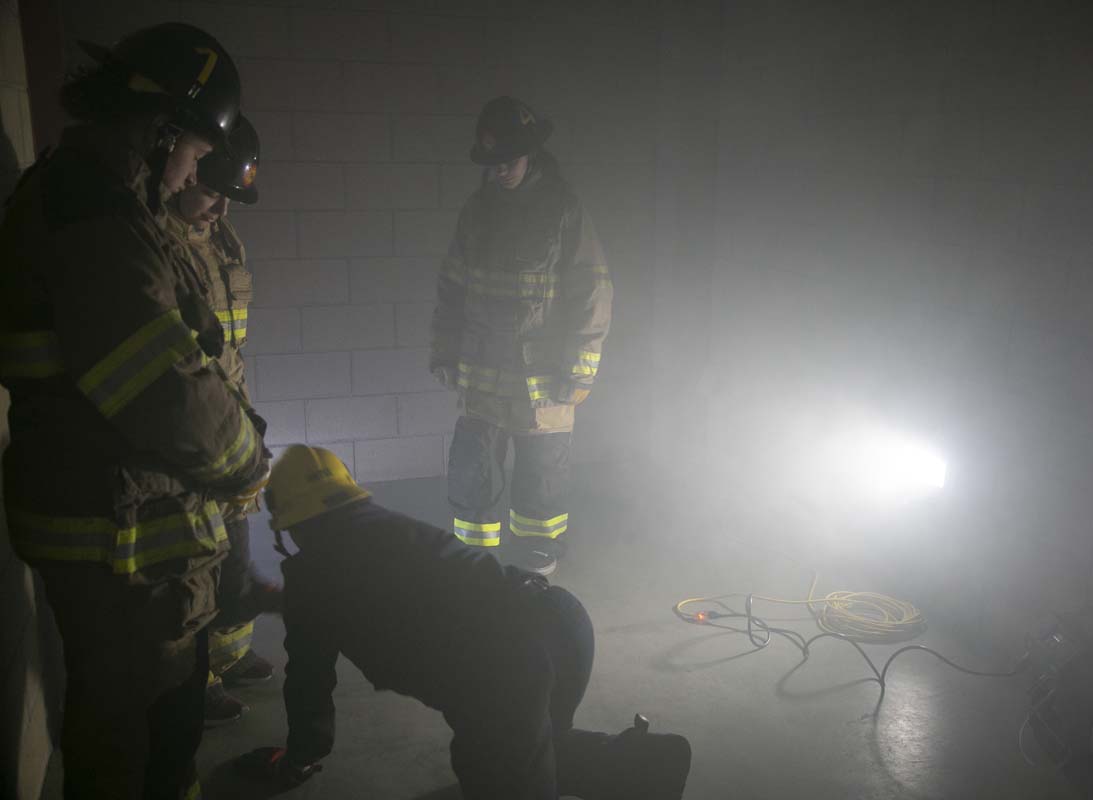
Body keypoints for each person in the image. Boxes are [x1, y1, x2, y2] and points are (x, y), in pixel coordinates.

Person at [0, 23, 269, 800]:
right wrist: (246, 461)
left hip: (125, 529)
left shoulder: (98, 200)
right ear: (161, 131)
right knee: (139, 744)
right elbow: (162, 386)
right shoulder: (95, 215)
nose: (193, 172)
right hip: (119, 542)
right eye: (194, 151)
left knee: (153, 732)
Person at [235, 445, 691, 799]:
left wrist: (298, 759)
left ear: (288, 522)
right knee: (534, 744)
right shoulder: (387, 525)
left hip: (507, 664)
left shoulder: (313, 577)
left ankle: (633, 767)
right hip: (561, 619)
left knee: (506, 767)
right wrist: (285, 601)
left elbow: (309, 685)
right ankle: (644, 765)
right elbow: (361, 591)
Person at [431, 96, 613, 576]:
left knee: (541, 477)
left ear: (531, 153)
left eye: (508, 159)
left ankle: (536, 562)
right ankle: (473, 560)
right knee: (472, 473)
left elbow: (592, 290)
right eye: (492, 161)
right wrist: (444, 352)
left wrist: (580, 369)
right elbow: (452, 287)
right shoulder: (477, 211)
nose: (500, 169)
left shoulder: (562, 210)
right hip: (483, 376)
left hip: (543, 380)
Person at [163, 115, 278, 726]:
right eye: (210, 192)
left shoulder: (220, 238)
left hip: (229, 418)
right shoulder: (156, 246)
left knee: (235, 548)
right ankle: (199, 679)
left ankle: (231, 655)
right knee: (198, 564)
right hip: (190, 432)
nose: (219, 209)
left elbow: (230, 350)